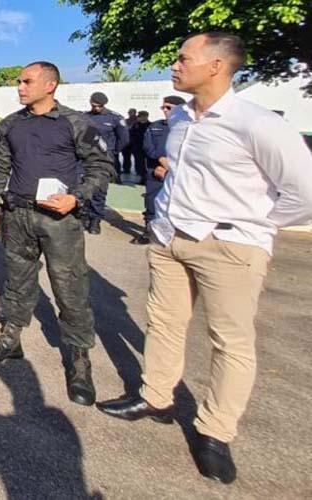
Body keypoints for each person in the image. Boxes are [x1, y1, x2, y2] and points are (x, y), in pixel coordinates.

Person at [96, 32, 312, 484]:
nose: (174, 65)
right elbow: (177, 175)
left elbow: (304, 193)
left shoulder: (257, 123)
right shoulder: (180, 119)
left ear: (216, 65)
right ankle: (156, 397)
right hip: (170, 240)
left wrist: (251, 228)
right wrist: (163, 221)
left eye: (184, 58)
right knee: (164, 323)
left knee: (230, 341)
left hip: (229, 245)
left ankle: (215, 431)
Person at [0, 61, 114, 406]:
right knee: (17, 281)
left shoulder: (75, 123)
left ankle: (79, 361)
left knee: (69, 287)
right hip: (17, 215)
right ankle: (11, 339)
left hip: (59, 220)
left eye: (27, 81)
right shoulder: (10, 124)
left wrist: (76, 197)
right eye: (19, 81)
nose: (20, 87)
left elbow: (101, 166)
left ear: (50, 85)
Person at [131, 96, 186, 245]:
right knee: (151, 202)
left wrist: (170, 166)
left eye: (169, 107)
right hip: (155, 170)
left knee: (177, 204)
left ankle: (176, 235)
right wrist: (160, 159)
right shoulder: (155, 126)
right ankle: (149, 233)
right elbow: (147, 146)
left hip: (178, 173)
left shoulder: (187, 126)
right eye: (163, 107)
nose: (165, 110)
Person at [85, 92, 128, 234]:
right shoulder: (85, 116)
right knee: (83, 187)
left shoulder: (114, 118)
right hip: (85, 157)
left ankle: (95, 220)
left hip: (103, 159)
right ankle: (84, 216)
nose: (96, 108)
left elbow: (124, 139)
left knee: (99, 189)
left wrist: (112, 152)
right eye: (94, 106)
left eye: (100, 106)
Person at [130, 111, 151, 184]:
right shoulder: (135, 125)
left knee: (149, 164)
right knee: (139, 164)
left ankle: (149, 178)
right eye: (138, 116)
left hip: (148, 148)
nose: (138, 118)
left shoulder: (150, 125)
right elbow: (131, 135)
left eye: (140, 116)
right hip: (137, 148)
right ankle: (142, 178)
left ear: (145, 116)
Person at [121, 108, 137, 174]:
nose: (130, 113)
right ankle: (126, 169)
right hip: (126, 142)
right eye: (130, 112)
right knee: (126, 157)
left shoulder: (138, 121)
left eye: (132, 112)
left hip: (135, 142)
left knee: (138, 158)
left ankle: (139, 170)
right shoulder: (125, 121)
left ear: (135, 113)